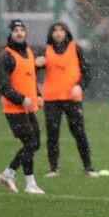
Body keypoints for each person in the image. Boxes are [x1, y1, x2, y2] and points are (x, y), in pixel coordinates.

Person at [34, 21, 97, 178]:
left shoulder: (75, 48)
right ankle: (53, 169)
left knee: (79, 133)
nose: (58, 33)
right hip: (52, 99)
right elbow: (29, 72)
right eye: (55, 30)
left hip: (72, 99)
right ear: (51, 34)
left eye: (61, 30)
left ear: (66, 33)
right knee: (52, 134)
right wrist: (35, 65)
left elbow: (87, 72)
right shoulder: (45, 51)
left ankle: (89, 167)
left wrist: (80, 86)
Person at [0, 19, 45, 195]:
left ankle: (14, 176)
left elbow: (29, 76)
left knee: (34, 144)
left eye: (22, 30)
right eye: (16, 30)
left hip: (28, 107)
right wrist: (21, 99)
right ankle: (23, 180)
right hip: (14, 109)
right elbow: (3, 86)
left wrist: (38, 96)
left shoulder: (29, 52)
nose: (19, 33)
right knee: (30, 143)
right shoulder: (5, 56)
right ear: (10, 34)